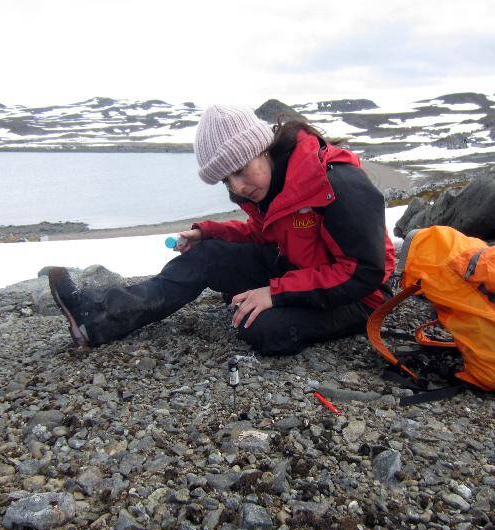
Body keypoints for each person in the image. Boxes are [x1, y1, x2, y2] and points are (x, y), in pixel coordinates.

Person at [48, 105, 396, 355]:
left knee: (260, 329)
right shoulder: (271, 185)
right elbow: (265, 234)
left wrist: (275, 293)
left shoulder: (335, 181)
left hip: (360, 297)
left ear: (262, 149)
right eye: (226, 180)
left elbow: (365, 272)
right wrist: (209, 231)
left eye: (241, 171)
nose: (238, 187)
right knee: (206, 254)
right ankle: (96, 318)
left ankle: (291, 313)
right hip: (299, 271)